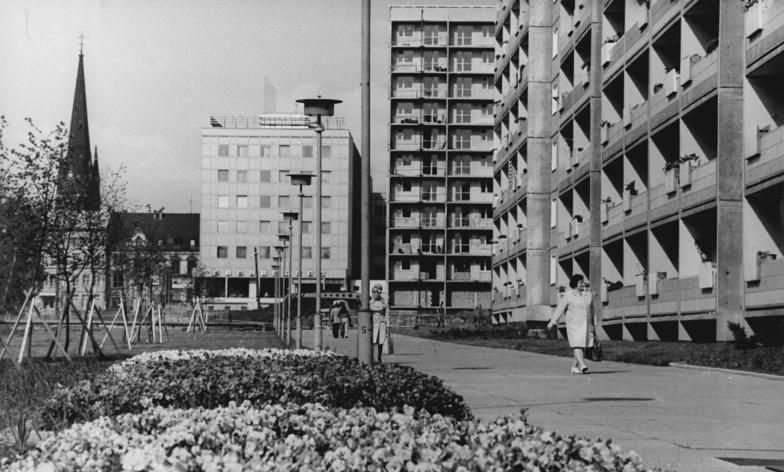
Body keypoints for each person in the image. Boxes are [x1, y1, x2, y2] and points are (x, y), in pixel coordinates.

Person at [547, 274, 595, 374]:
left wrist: (594, 323)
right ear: (575, 284)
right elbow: (560, 309)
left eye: (583, 282)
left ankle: (574, 366)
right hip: (574, 325)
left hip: (586, 324)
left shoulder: (588, 294)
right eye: (580, 282)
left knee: (582, 346)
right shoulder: (568, 296)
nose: (583, 284)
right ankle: (582, 365)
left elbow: (592, 309)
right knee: (577, 344)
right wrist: (552, 322)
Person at [370, 284, 389, 363]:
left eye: (377, 292)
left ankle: (379, 357)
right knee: (372, 341)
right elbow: (369, 309)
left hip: (381, 323)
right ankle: (372, 357)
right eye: (373, 292)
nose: (375, 294)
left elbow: (387, 313)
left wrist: (388, 325)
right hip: (373, 323)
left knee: (380, 342)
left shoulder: (384, 301)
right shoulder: (370, 301)